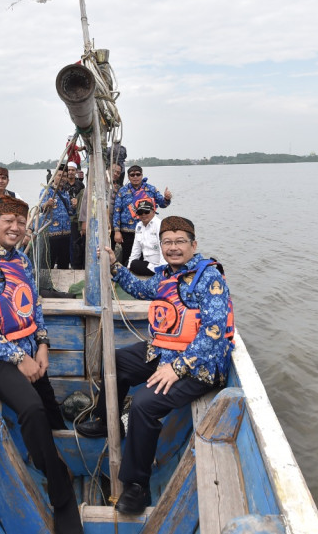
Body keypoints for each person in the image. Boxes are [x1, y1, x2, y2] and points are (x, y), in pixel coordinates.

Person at [76, 216, 235, 516]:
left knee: (144, 404)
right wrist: (114, 266)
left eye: (180, 242)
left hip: (200, 365)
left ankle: (137, 486)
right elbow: (141, 290)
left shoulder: (210, 278)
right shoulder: (166, 276)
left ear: (193, 245)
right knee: (116, 360)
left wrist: (177, 368)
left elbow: (213, 333)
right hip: (162, 353)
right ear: (160, 246)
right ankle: (102, 419)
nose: (173, 248)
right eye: (167, 242)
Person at [0, 195, 83, 533]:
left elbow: (33, 308)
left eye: (21, 221)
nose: (15, 226)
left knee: (51, 410)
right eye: (7, 220)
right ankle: (61, 492)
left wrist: (42, 346)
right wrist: (17, 357)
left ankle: (58, 454)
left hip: (26, 349)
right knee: (32, 410)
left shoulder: (22, 263)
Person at [112, 165, 172, 266]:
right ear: (128, 177)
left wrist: (167, 198)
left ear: (141, 175)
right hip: (127, 231)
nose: (135, 177)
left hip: (147, 229)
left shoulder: (151, 189)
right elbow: (117, 211)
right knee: (128, 257)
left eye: (138, 174)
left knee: (148, 257)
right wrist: (117, 231)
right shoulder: (122, 191)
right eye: (132, 175)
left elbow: (163, 204)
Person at [39, 168, 74, 270]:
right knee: (49, 263)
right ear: (54, 177)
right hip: (52, 234)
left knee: (64, 264)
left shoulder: (66, 194)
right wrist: (47, 204)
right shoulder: (47, 191)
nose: (62, 178)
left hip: (66, 234)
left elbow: (70, 212)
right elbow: (41, 209)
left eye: (64, 176)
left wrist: (74, 206)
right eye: (60, 175)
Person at [127, 200, 162, 276]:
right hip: (147, 263)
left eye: (146, 212)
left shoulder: (159, 225)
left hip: (160, 265)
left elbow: (164, 249)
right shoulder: (139, 226)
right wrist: (128, 267)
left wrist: (163, 270)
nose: (143, 215)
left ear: (153, 211)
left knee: (134, 265)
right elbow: (136, 249)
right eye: (140, 213)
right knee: (130, 263)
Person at [65, 162, 85, 269]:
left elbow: (84, 199)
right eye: (69, 170)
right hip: (66, 217)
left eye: (73, 170)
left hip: (76, 218)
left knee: (76, 242)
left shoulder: (80, 185)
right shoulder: (63, 185)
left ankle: (76, 264)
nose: (70, 172)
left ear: (76, 172)